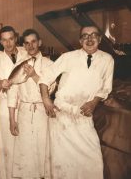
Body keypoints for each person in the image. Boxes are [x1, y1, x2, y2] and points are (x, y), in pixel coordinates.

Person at [39, 25, 114, 179]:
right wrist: (46, 99)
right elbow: (45, 78)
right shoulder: (68, 57)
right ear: (80, 40)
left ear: (99, 39)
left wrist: (93, 103)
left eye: (93, 35)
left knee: (94, 162)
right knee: (63, 164)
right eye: (85, 36)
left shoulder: (107, 60)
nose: (89, 39)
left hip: (84, 115)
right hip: (62, 117)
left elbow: (105, 88)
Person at [7, 29, 54, 179]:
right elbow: (13, 92)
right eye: (26, 43)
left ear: (39, 42)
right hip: (24, 112)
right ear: (24, 46)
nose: (30, 46)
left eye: (33, 41)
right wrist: (12, 119)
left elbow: (51, 89)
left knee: (42, 149)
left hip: (42, 111)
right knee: (25, 151)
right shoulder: (20, 65)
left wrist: (34, 75)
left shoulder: (49, 64)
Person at [0, 26, 27, 179]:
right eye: (4, 40)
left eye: (11, 39)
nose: (8, 43)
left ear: (16, 38)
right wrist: (0, 83)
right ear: (0, 42)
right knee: (8, 146)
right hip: (5, 107)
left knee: (24, 144)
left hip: (25, 104)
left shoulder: (26, 54)